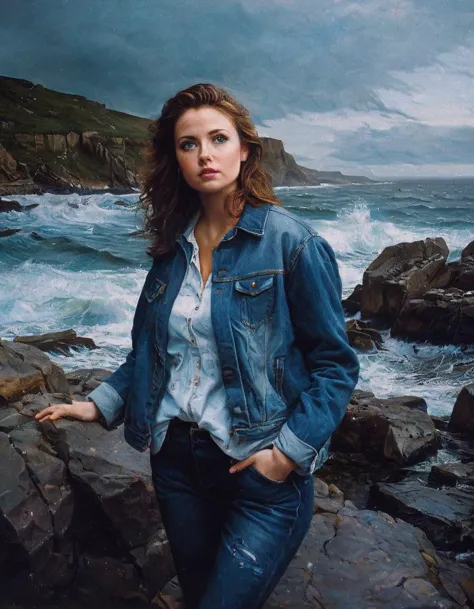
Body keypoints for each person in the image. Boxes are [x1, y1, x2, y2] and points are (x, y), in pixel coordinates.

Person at [35, 83, 360, 609]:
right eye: (189, 144)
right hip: (176, 465)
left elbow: (336, 365)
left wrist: (288, 454)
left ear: (245, 150)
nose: (205, 154)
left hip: (261, 473)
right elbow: (153, 352)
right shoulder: (170, 250)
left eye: (218, 138)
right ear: (177, 159)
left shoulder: (292, 243)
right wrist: (97, 403)